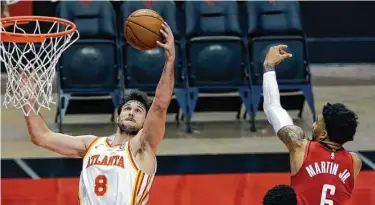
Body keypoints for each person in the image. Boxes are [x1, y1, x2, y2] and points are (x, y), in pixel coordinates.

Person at [24, 22, 175, 205]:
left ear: (145, 121)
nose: (131, 112)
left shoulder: (142, 147)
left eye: (138, 111)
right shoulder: (91, 144)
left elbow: (159, 105)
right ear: (118, 115)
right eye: (127, 108)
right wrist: (29, 100)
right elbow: (42, 136)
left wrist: (169, 60)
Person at [262, 45, 362, 205]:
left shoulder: (300, 148)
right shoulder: (354, 161)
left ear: (323, 134)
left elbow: (272, 107)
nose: (313, 125)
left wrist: (268, 65)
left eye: (317, 122)